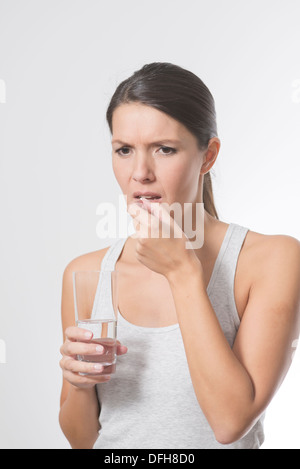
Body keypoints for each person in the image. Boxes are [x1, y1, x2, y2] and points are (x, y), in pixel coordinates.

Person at [59, 62, 300, 449]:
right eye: (124, 150)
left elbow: (230, 422)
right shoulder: (88, 273)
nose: (140, 173)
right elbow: (83, 439)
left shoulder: (271, 260)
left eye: (164, 149)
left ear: (208, 156)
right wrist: (79, 384)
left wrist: (182, 273)